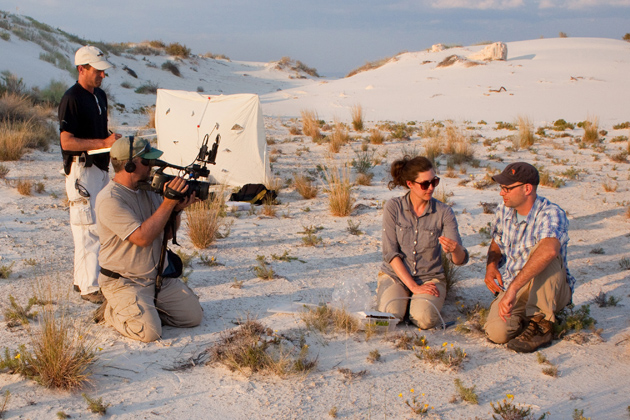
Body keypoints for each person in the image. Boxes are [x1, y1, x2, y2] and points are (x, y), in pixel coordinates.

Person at [95, 137, 203, 342]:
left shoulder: (149, 191)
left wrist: (176, 209)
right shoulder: (110, 199)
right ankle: (111, 310)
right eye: (147, 162)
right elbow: (143, 238)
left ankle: (143, 309)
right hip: (124, 281)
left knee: (193, 317)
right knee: (149, 333)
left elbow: (168, 234)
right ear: (129, 164)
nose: (152, 167)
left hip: (156, 278)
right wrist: (168, 203)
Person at [483, 162, 574, 353]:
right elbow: (496, 242)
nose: (502, 193)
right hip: (515, 286)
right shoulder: (503, 209)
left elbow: (549, 251)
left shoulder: (551, 213)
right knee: (497, 333)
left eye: (507, 188)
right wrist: (491, 266)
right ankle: (530, 318)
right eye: (501, 188)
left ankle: (541, 324)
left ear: (527, 188)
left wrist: (512, 289)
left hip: (549, 285)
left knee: (545, 250)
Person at [58, 45, 122, 303]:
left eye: (104, 72)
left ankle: (81, 279)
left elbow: (100, 132)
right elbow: (67, 142)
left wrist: (109, 146)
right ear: (81, 69)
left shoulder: (100, 96)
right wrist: (104, 143)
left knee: (99, 223)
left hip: (99, 169)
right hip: (81, 170)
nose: (102, 76)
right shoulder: (71, 98)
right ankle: (89, 287)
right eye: (98, 71)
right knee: (86, 228)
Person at [376, 156, 468, 329]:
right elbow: (390, 253)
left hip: (429, 279)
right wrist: (413, 287)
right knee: (390, 318)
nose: (431, 188)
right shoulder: (393, 207)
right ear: (410, 184)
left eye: (435, 181)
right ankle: (404, 299)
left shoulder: (444, 212)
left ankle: (417, 305)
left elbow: (459, 260)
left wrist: (456, 250)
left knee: (423, 320)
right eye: (425, 184)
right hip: (397, 276)